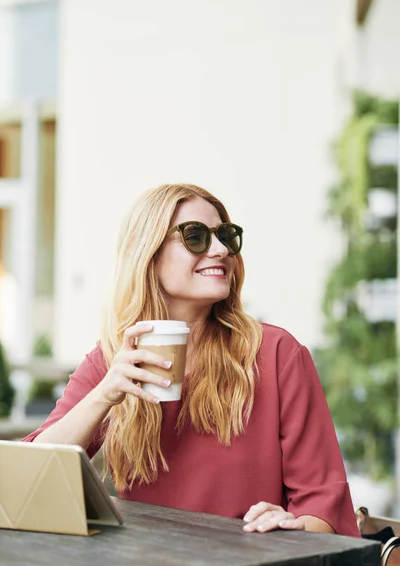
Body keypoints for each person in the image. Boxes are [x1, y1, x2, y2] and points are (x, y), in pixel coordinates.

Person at [23, 183, 359, 536]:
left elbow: (324, 509)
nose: (220, 250)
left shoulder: (277, 355)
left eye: (225, 236)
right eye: (195, 236)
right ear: (148, 255)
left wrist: (292, 525)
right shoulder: (116, 359)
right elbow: (34, 473)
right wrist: (106, 394)